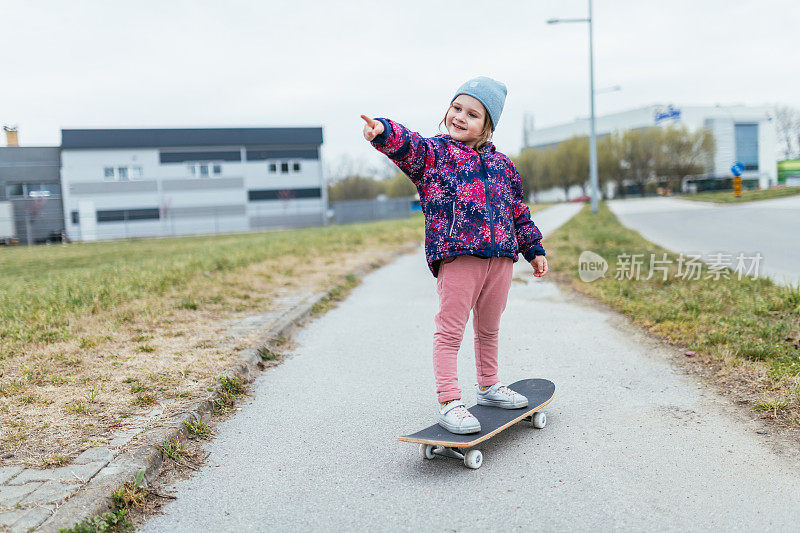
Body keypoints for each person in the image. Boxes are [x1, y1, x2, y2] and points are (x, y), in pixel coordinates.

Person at [361, 76, 548, 434]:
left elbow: (518, 211)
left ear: (487, 126)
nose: (461, 117)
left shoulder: (504, 166)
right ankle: (450, 401)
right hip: (458, 255)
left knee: (489, 328)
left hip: (501, 259)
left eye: (473, 114)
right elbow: (408, 145)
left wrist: (533, 249)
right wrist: (383, 131)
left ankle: (489, 386)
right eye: (457, 108)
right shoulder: (435, 156)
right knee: (450, 332)